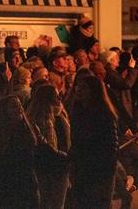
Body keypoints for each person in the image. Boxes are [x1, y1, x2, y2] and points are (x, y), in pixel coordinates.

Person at [0, 95, 40, 209]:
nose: (19, 108)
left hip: (26, 187)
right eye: (14, 106)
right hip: (6, 189)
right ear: (4, 112)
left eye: (20, 105)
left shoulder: (27, 133)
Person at [69, 75, 119, 209]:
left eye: (84, 88)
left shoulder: (104, 114)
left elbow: (111, 145)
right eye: (78, 87)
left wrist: (105, 169)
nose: (79, 90)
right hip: (83, 167)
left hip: (100, 169)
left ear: (94, 91)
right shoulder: (78, 112)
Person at [27, 85, 71, 209]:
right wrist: (61, 156)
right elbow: (42, 144)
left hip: (57, 164)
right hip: (49, 165)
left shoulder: (59, 115)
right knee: (49, 203)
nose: (59, 97)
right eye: (55, 95)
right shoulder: (41, 120)